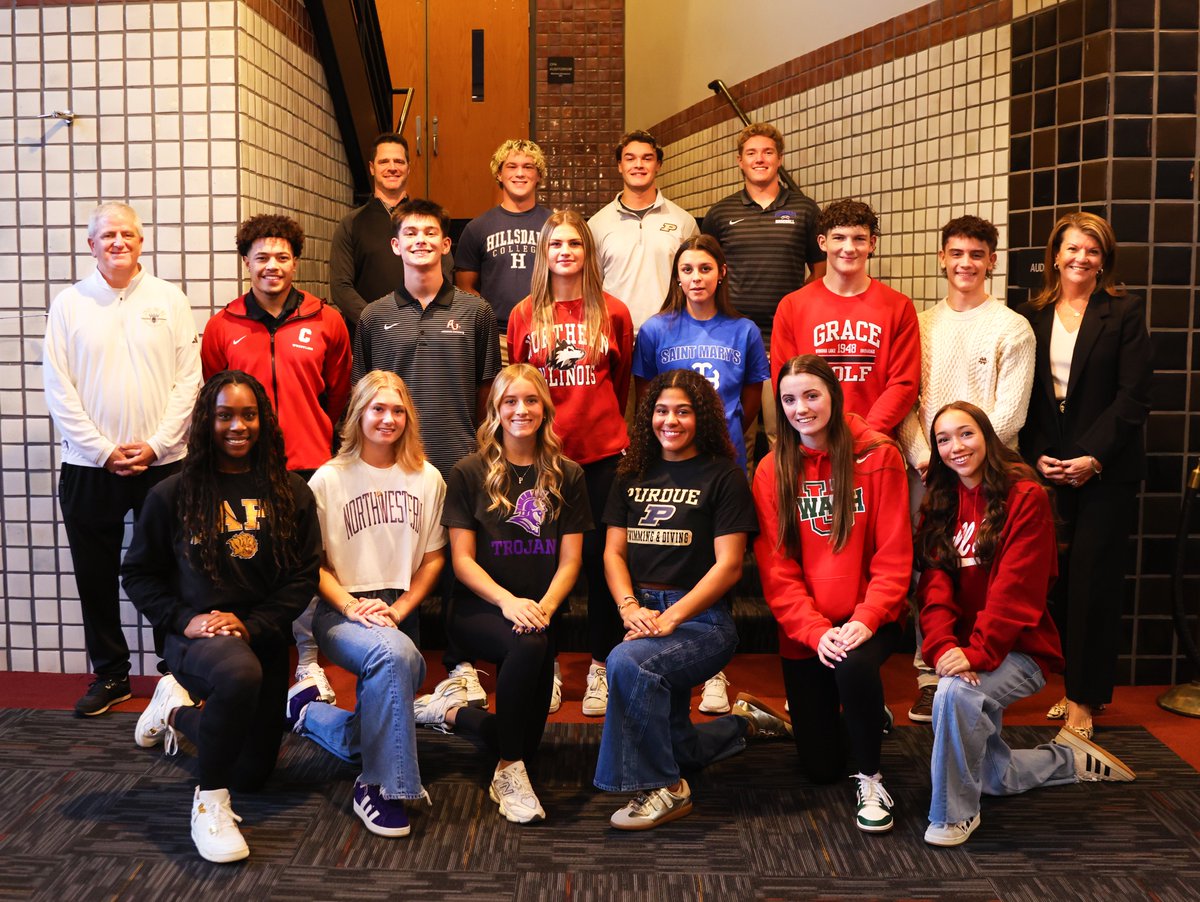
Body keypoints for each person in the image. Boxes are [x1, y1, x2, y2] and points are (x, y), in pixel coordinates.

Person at [121, 371, 321, 863]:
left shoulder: (290, 492)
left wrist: (252, 626)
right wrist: (182, 619)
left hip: (262, 634)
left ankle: (173, 708)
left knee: (253, 774)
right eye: (225, 414)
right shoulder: (172, 493)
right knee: (237, 671)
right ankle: (208, 803)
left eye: (248, 415)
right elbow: (139, 573)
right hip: (198, 633)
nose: (237, 425)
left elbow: (303, 576)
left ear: (263, 420)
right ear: (207, 420)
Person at [916, 402, 1135, 848]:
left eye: (966, 434)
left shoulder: (1024, 496)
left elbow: (1016, 592)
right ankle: (1066, 759)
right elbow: (933, 590)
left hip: (1019, 650)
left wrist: (975, 653)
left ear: (987, 437)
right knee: (995, 774)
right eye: (943, 439)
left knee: (953, 695)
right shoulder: (940, 503)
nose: (956, 447)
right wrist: (942, 650)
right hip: (965, 654)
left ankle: (953, 815)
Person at [42, 202, 202, 717]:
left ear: (141, 241)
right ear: (91, 245)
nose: (118, 242)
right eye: (107, 235)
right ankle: (110, 675)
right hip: (90, 467)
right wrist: (103, 450)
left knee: (171, 570)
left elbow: (189, 381)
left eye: (127, 234)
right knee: (94, 573)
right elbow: (57, 387)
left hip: (164, 463)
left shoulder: (169, 299)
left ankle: (173, 671)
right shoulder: (69, 304)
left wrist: (155, 445)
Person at [416, 365, 590, 824]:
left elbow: (571, 561)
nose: (521, 410)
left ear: (545, 409)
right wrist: (508, 602)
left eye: (531, 400)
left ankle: (450, 714)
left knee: (522, 736)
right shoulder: (468, 472)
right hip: (479, 609)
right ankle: (508, 772)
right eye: (510, 401)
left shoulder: (567, 474)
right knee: (527, 648)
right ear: (494, 410)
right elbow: (463, 562)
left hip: (539, 612)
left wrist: (545, 608)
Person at [750, 355, 911, 833]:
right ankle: (860, 706)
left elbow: (894, 553)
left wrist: (866, 618)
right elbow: (778, 570)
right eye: (790, 399)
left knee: (855, 664)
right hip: (808, 631)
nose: (802, 408)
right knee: (821, 769)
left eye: (812, 395)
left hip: (868, 619)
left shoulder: (879, 455)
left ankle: (871, 777)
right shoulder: (770, 470)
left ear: (834, 396)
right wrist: (817, 632)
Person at [596, 369, 759, 829]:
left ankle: (668, 789)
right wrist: (629, 606)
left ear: (701, 418)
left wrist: (672, 617)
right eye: (662, 410)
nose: (671, 420)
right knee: (679, 744)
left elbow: (728, 566)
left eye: (683, 411)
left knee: (629, 663)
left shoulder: (723, 475)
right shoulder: (631, 472)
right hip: (641, 611)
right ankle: (745, 724)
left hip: (701, 620)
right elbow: (613, 552)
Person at [354, 197, 501, 706]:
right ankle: (403, 660)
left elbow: (487, 390)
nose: (420, 240)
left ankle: (462, 667)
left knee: (462, 566)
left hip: (459, 460)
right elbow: (367, 394)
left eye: (430, 233)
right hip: (396, 466)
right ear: (396, 246)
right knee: (399, 566)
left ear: (445, 244)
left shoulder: (476, 311)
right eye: (409, 233)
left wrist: (479, 449)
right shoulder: (374, 317)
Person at [201, 213, 352, 704]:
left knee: (302, 566)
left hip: (308, 462)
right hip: (242, 468)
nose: (273, 266)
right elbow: (214, 399)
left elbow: (339, 395)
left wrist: (321, 439)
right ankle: (247, 660)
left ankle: (307, 664)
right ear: (246, 261)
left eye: (282, 257)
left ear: (296, 261)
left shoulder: (326, 320)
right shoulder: (223, 325)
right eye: (262, 257)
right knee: (246, 558)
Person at [289, 371, 447, 838]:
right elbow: (311, 563)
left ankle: (307, 712)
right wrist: (351, 605)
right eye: (378, 408)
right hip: (340, 608)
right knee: (393, 657)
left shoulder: (427, 477)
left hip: (401, 609)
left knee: (386, 707)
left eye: (398, 410)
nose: (388, 419)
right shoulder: (328, 479)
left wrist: (400, 610)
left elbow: (435, 558)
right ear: (358, 413)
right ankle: (378, 786)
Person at [1017, 212, 1153, 739]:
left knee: (1094, 585)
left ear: (1104, 259)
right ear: (1055, 255)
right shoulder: (1031, 315)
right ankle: (1071, 684)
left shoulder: (1124, 311)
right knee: (1057, 587)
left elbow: (1134, 394)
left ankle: (1082, 702)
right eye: (1072, 249)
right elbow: (1026, 398)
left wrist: (1093, 455)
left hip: (1106, 471)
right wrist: (1039, 455)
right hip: (1049, 470)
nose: (1081, 259)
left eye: (1092, 251)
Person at [896, 215, 1036, 723]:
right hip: (929, 469)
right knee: (932, 571)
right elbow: (909, 399)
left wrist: (963, 452)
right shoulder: (921, 323)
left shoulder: (1011, 326)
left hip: (992, 473)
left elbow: (1012, 411)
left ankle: (982, 659)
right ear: (942, 257)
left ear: (992, 262)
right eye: (957, 253)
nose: (966, 263)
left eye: (977, 255)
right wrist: (926, 453)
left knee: (986, 570)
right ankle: (930, 673)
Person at [633, 234, 770, 714]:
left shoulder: (744, 331)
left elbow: (751, 399)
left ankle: (714, 668)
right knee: (680, 560)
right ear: (678, 276)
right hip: (670, 466)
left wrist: (721, 436)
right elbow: (646, 397)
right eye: (687, 270)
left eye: (705, 269)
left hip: (722, 465)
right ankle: (666, 648)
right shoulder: (655, 330)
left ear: (721, 273)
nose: (696, 278)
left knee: (720, 564)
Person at [508, 210, 634, 715]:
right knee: (545, 567)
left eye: (574, 243)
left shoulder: (615, 312)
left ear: (587, 252)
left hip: (602, 456)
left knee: (606, 565)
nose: (565, 251)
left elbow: (620, 383)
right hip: (544, 459)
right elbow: (517, 386)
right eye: (555, 242)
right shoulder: (523, 314)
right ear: (543, 252)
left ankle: (602, 665)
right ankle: (551, 664)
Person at [701, 122, 823, 456]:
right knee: (735, 433)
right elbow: (709, 271)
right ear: (739, 161)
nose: (759, 159)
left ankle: (777, 505)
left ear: (779, 159)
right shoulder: (720, 214)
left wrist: (793, 314)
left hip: (784, 339)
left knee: (780, 434)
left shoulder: (804, 210)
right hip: (732, 337)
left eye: (767, 152)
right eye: (751, 153)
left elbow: (820, 272)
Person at [770, 199, 920, 439]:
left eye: (859, 238)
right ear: (822, 242)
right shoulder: (792, 306)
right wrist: (817, 430)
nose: (849, 248)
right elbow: (784, 380)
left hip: (874, 444)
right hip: (812, 440)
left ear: (872, 244)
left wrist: (865, 433)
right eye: (839, 237)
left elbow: (904, 384)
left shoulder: (898, 307)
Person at [329, 133, 453, 338]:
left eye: (399, 161)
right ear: (372, 168)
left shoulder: (429, 221)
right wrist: (377, 321)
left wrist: (420, 320)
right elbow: (341, 287)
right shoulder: (351, 223)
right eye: (384, 161)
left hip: (424, 333)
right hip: (369, 335)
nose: (392, 167)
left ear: (408, 168)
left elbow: (445, 273)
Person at [588, 129, 699, 333]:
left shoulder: (684, 221)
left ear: (658, 165)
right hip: (614, 335)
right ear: (620, 166)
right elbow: (590, 288)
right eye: (630, 159)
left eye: (647, 158)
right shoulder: (597, 224)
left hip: (672, 334)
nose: (638, 165)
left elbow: (696, 285)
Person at [455, 139, 552, 343]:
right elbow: (464, 287)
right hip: (497, 336)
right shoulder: (477, 228)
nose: (520, 173)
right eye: (512, 166)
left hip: (546, 332)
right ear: (499, 174)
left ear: (539, 175)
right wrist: (487, 319)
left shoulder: (554, 226)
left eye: (528, 167)